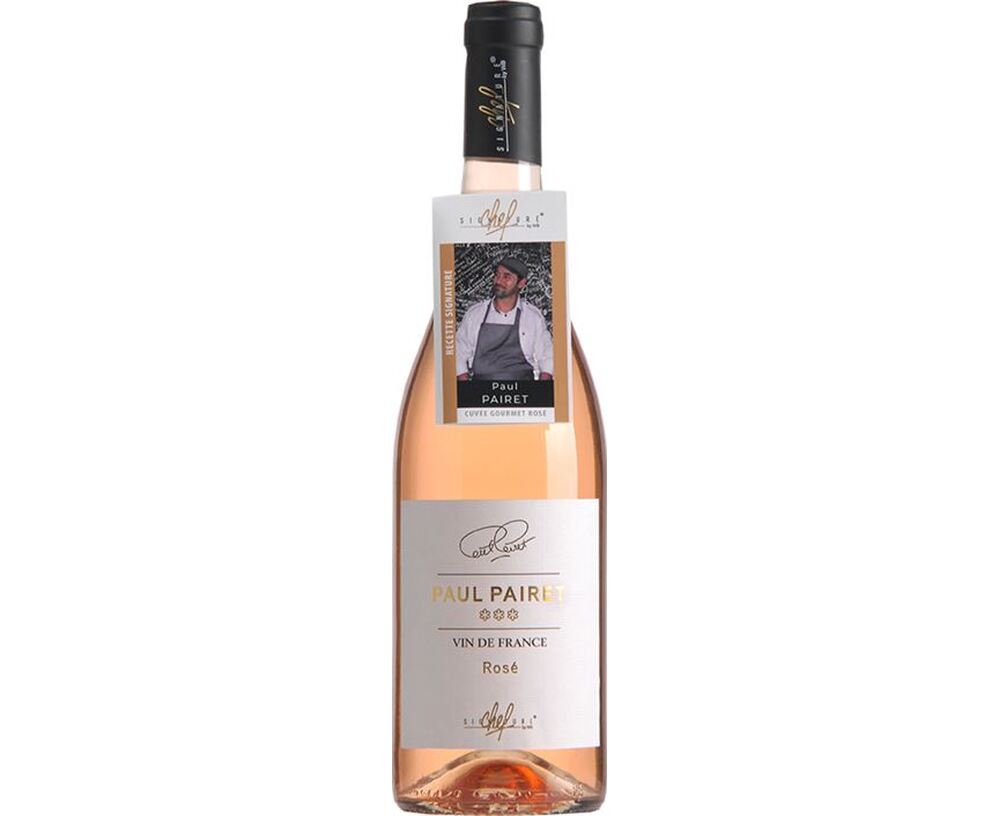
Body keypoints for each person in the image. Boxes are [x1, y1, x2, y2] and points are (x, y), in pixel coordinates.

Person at [455, 256, 554, 381]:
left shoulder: (533, 317)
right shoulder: (474, 314)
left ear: (521, 283)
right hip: (481, 389)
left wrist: (542, 387)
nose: (499, 280)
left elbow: (546, 356)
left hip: (523, 390)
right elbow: (458, 353)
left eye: (506, 277)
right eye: (497, 275)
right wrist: (465, 387)